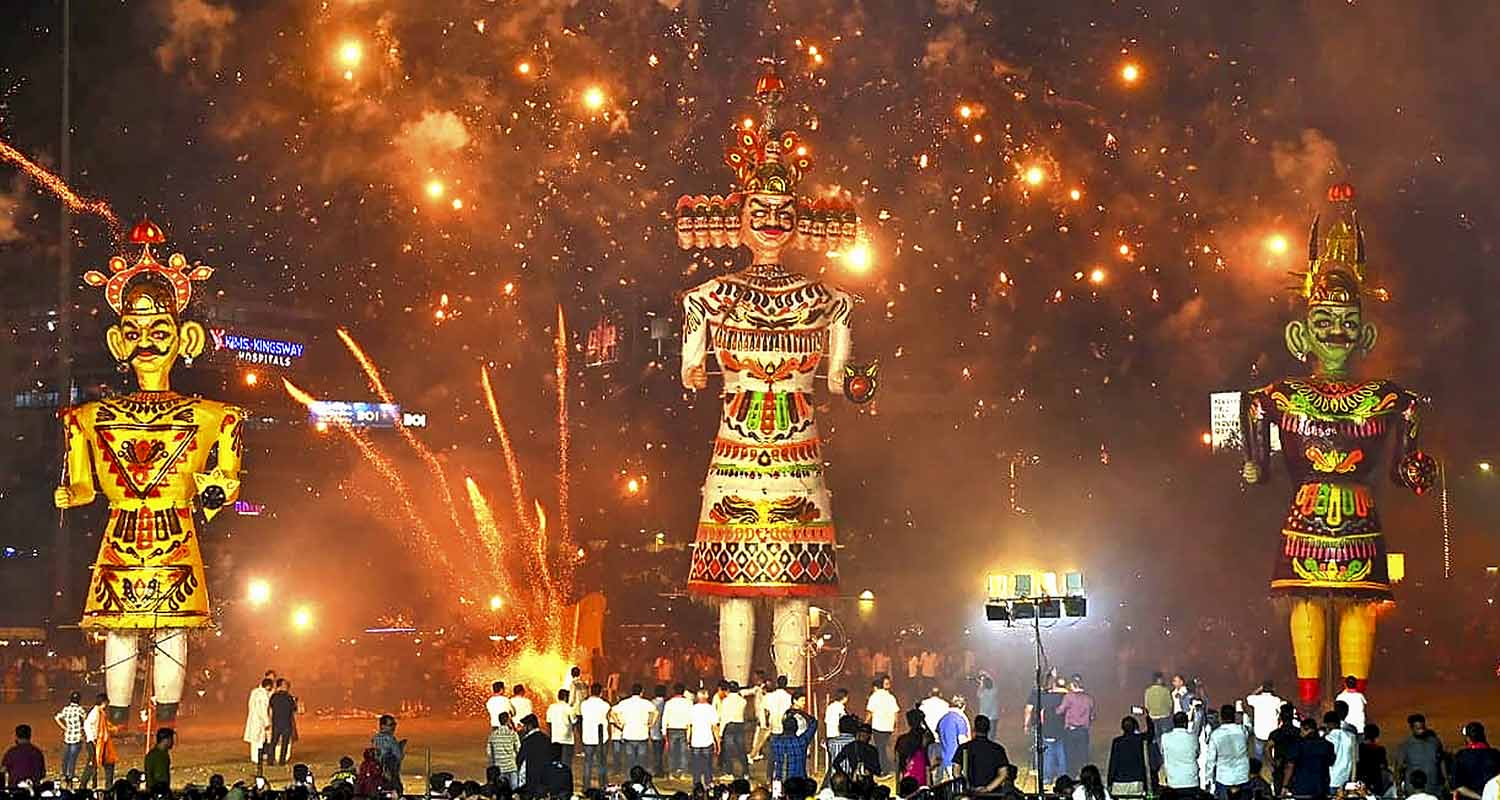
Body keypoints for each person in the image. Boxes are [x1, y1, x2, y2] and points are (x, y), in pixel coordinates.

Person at [1107, 714, 1159, 798]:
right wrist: (1148, 718)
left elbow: (1113, 763)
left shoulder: (1117, 742)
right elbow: (1151, 733)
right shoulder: (1140, 739)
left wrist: (1110, 782)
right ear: (1135, 727)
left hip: (1119, 783)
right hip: (1136, 781)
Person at [953, 714, 1008, 793]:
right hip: (993, 795)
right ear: (989, 729)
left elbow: (956, 771)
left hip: (970, 794)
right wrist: (987, 789)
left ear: (974, 728)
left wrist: (966, 786)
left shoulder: (964, 748)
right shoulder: (998, 749)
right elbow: (1003, 774)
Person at [1205, 705, 1251, 800]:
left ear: (1221, 717)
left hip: (1223, 778)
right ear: (1234, 716)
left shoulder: (1215, 735)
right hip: (1242, 775)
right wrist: (1244, 714)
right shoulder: (1242, 731)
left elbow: (1211, 759)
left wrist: (1208, 778)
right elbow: (1249, 726)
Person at [612, 684, 657, 775]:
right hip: (642, 734)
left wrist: (619, 723)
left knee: (630, 759)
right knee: (641, 759)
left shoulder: (625, 703)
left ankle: (630, 777)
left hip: (628, 734)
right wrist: (651, 723)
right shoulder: (646, 703)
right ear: (641, 692)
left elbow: (613, 711)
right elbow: (655, 712)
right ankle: (640, 778)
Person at [1396, 714, 1447, 795]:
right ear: (1412, 729)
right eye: (1418, 729)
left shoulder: (1435, 742)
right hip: (1414, 791)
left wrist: (1446, 780)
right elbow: (1399, 768)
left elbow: (1441, 761)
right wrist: (1398, 787)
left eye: (1423, 728)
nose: (1421, 731)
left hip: (1434, 788)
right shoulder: (1406, 745)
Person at [1058, 675, 1096, 779]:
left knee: (1070, 755)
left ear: (1072, 685)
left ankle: (1072, 776)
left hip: (1071, 730)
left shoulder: (1069, 697)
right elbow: (1092, 716)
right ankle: (1083, 776)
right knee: (1083, 755)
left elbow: (1060, 711)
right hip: (1083, 731)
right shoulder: (1089, 698)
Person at [1287, 717, 1334, 800]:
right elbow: (1331, 762)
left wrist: (1285, 785)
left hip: (1301, 788)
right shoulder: (1327, 745)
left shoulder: (1298, 745)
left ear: (1306, 729)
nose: (1300, 733)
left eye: (1301, 731)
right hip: (1321, 787)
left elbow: (1290, 766)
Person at [1454, 723, 1500, 800]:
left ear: (1468, 739)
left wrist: (1481, 797)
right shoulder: (1495, 754)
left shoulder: (1461, 756)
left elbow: (1457, 786)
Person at [79, 693, 116, 789]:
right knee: (92, 764)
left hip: (101, 742)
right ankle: (83, 785)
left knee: (108, 763)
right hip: (94, 742)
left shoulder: (101, 712)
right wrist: (91, 739)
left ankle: (108, 786)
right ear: (103, 702)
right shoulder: (95, 712)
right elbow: (87, 724)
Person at [770, 708, 816, 783]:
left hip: (780, 780)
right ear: (797, 728)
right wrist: (801, 712)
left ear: (783, 727)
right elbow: (814, 723)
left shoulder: (775, 742)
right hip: (799, 781)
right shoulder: (801, 742)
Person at [579, 683, 611, 789]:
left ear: (590, 691)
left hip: (588, 737)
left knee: (588, 762)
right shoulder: (605, 705)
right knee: (601, 762)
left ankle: (586, 786)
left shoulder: (584, 704)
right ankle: (602, 785)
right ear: (601, 692)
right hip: (601, 738)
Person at [1161, 711, 1201, 795]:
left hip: (1173, 781)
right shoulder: (1193, 737)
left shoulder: (1165, 737)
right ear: (1185, 723)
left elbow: (1163, 753)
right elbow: (1197, 753)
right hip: (1191, 780)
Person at [866, 675, 900, 774]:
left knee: (880, 748)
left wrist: (865, 723)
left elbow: (870, 712)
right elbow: (896, 712)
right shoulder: (891, 697)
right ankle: (886, 767)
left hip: (878, 726)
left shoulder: (874, 696)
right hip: (888, 727)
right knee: (883, 747)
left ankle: (884, 769)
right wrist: (895, 725)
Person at [687, 688, 721, 787]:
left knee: (696, 765)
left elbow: (689, 726)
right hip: (707, 740)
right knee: (707, 765)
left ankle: (696, 784)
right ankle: (708, 782)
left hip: (695, 741)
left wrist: (688, 739)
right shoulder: (711, 709)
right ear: (707, 696)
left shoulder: (693, 709)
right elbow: (715, 727)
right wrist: (718, 741)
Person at [1267, 705, 1301, 798]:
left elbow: (1267, 748)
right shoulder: (1298, 732)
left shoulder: (1276, 733)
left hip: (1279, 765)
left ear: (1280, 717)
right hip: (1296, 767)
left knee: (1279, 794)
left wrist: (1272, 762)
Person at [1244, 682, 1284, 760]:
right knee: (1274, 756)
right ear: (1273, 689)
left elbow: (1248, 698)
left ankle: (1258, 769)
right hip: (1272, 733)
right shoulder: (1276, 700)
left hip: (1259, 733)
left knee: (1258, 756)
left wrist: (1258, 690)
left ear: (1262, 689)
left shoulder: (1256, 699)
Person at [54, 691, 87, 787]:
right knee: (72, 758)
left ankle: (64, 774)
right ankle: (71, 775)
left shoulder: (66, 709)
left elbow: (57, 717)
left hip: (67, 736)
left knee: (65, 757)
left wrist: (64, 727)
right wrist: (82, 730)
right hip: (76, 737)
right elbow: (84, 721)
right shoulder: (80, 710)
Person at [895, 709, 933, 788]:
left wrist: (898, 785)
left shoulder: (902, 739)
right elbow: (931, 738)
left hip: (906, 775)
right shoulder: (924, 736)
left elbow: (898, 762)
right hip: (921, 775)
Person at [662, 683, 693, 780]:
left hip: (671, 729)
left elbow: (665, 718)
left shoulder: (669, 703)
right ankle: (682, 772)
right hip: (684, 728)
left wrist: (664, 732)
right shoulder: (688, 703)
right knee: (683, 752)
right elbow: (690, 718)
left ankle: (671, 772)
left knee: (672, 752)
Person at [719, 680, 749, 778]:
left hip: (729, 726)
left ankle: (729, 772)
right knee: (741, 750)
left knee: (728, 751)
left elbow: (724, 717)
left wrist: (720, 732)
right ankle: (745, 772)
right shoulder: (743, 701)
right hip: (740, 725)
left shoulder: (726, 701)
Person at [935, 696, 971, 772]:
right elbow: (962, 742)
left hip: (944, 760)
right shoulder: (959, 720)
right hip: (956, 762)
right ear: (963, 706)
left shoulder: (942, 719)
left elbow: (938, 737)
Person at [372, 714, 406, 794]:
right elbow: (398, 756)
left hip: (378, 775)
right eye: (391, 725)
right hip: (390, 774)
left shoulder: (375, 739)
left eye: (394, 724)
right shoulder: (390, 739)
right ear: (382, 726)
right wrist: (400, 747)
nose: (394, 727)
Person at [515, 715, 550, 791]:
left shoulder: (527, 741)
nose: (523, 728)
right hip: (544, 778)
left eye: (524, 725)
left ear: (530, 726)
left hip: (531, 778)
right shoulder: (546, 739)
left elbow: (520, 759)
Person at [243, 678, 273, 765]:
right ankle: (257, 758)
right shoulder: (263, 695)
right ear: (268, 686)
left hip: (253, 718)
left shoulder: (254, 692)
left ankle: (254, 758)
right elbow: (263, 710)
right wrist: (267, 722)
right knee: (259, 740)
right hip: (260, 721)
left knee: (254, 740)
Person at [1324, 710, 1357, 789]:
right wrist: (1353, 780)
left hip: (1331, 779)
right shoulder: (1352, 737)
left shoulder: (1327, 738)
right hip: (1346, 780)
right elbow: (1355, 760)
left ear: (1327, 724)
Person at [269, 679, 298, 766]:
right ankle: (282, 761)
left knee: (273, 742)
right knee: (284, 743)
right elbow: (294, 709)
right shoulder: (289, 697)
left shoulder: (274, 696)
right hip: (286, 723)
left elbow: (270, 707)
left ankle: (270, 760)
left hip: (276, 722)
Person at [489, 712, 521, 788]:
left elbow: (489, 752)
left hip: (499, 768)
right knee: (514, 791)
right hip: (512, 767)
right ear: (508, 720)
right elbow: (518, 749)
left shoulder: (493, 735)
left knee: (501, 790)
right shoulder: (512, 734)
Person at [1357, 723, 1390, 797]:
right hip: (1376, 780)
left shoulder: (1360, 748)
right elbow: (1383, 766)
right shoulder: (1380, 750)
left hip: (1362, 779)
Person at [547, 690, 576, 765]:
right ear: (566, 697)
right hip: (567, 739)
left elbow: (548, 722)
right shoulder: (569, 708)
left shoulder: (551, 707)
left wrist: (551, 736)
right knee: (566, 763)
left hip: (555, 739)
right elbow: (574, 721)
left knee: (555, 763)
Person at [143, 728, 174, 793]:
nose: (172, 742)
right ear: (165, 740)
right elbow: (149, 774)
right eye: (171, 739)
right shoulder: (154, 755)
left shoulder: (164, 754)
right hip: (156, 791)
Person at [649, 684, 668, 775]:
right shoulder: (666, 703)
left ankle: (657, 768)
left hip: (653, 731)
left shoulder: (651, 703)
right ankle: (659, 769)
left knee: (655, 751)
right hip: (663, 730)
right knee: (660, 752)